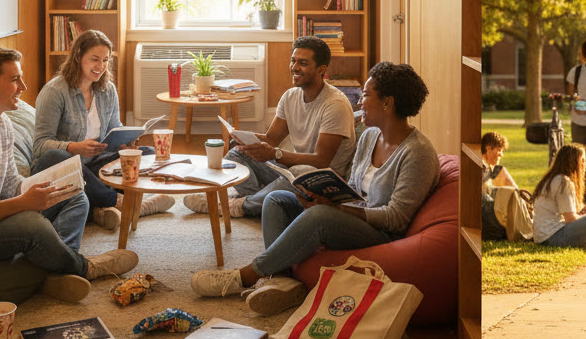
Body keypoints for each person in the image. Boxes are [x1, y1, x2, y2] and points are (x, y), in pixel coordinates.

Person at [188, 62, 439, 315]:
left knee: (320, 216)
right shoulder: (370, 136)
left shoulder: (417, 152)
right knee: (277, 199)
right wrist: (325, 196)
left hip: (382, 234)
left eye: (365, 95)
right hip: (352, 215)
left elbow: (396, 218)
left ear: (387, 103)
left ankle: (246, 276)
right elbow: (354, 187)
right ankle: (282, 281)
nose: (359, 102)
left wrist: (338, 210)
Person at [0, 46, 138, 303]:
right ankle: (84, 267)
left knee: (75, 196)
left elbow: (10, 182)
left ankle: (55, 273)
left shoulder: (2, 124)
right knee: (32, 226)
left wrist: (42, 189)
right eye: (15, 79)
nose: (24, 86)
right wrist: (23, 204)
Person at [184, 36, 356, 219]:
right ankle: (255, 201)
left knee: (297, 173)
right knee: (237, 154)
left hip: (325, 183)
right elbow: (271, 139)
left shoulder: (335, 104)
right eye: (293, 60)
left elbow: (321, 160)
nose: (295, 67)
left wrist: (276, 154)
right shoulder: (290, 97)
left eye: (303, 63)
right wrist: (243, 138)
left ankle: (240, 206)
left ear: (321, 69)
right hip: (295, 172)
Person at [32, 30, 169, 231]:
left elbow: (115, 128)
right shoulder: (55, 92)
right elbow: (40, 145)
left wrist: (126, 142)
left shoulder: (107, 89)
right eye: (95, 59)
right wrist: (74, 147)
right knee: (59, 158)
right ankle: (122, 203)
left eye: (105, 60)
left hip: (97, 164)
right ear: (78, 57)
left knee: (147, 153)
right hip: (66, 166)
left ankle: (99, 211)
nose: (101, 66)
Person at [532, 144, 586, 249]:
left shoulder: (554, 178)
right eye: (582, 161)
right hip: (553, 238)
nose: (585, 164)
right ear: (572, 162)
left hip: (544, 237)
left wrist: (583, 212)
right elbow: (570, 219)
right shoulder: (563, 182)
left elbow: (567, 215)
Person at [481, 131, 517, 241]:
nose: (501, 154)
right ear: (488, 148)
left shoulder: (492, 168)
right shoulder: (480, 167)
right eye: (499, 150)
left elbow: (516, 191)